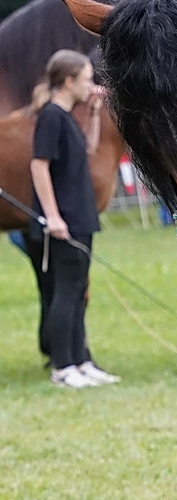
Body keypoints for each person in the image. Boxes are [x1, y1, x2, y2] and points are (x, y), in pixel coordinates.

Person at [28, 50, 119, 388]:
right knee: (65, 293)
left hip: (80, 217)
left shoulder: (68, 116)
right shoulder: (50, 116)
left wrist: (94, 114)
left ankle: (81, 362)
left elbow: (88, 150)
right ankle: (63, 367)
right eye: (87, 79)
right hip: (62, 220)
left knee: (78, 289)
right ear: (68, 82)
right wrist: (52, 216)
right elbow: (39, 166)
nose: (92, 85)